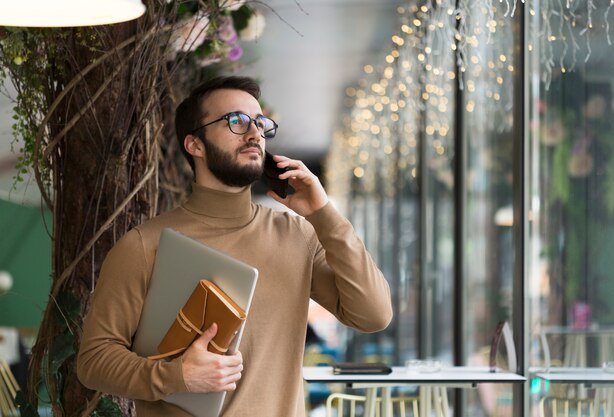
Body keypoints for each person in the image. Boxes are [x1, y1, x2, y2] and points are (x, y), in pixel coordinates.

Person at [76, 76, 393, 417]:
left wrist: (324, 214)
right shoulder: (143, 246)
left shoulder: (297, 235)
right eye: (236, 121)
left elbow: (373, 314)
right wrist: (175, 376)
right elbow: (94, 362)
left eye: (259, 123)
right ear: (195, 145)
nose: (254, 133)